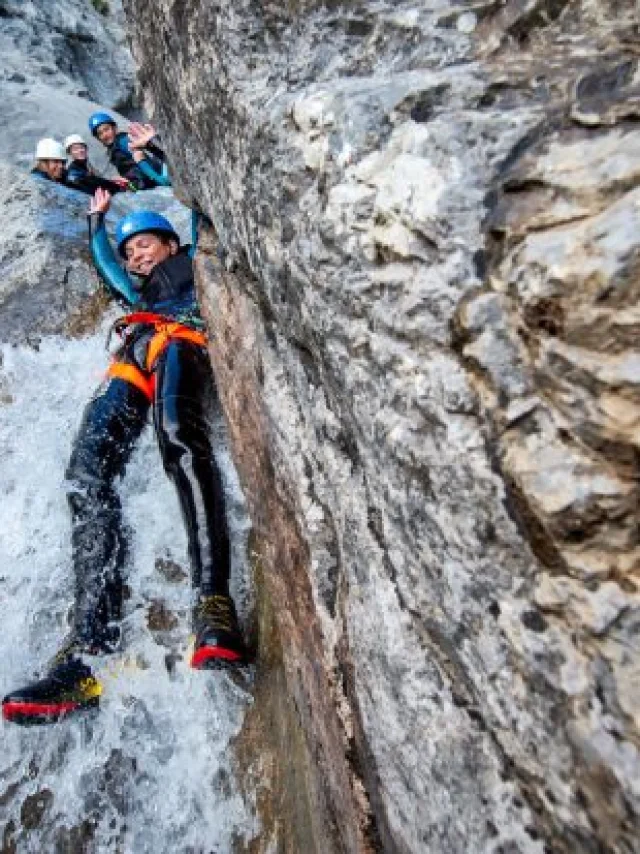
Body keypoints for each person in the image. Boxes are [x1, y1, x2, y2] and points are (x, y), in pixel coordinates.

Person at [2, 189, 247, 726]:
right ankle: (86, 656)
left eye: (144, 244)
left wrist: (165, 153)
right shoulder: (133, 294)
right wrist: (96, 220)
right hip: (133, 354)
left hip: (181, 336)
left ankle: (214, 605)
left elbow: (205, 203)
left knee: (179, 434)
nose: (136, 254)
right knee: (86, 475)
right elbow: (105, 260)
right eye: (130, 247)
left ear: (169, 242)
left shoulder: (192, 262)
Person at [88, 112, 170, 190]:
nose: (104, 135)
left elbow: (141, 161)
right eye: (100, 133)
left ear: (114, 128)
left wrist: (157, 179)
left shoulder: (123, 141)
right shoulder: (114, 148)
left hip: (150, 180)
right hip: (144, 182)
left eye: (106, 129)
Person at [64, 134, 129, 196]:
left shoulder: (87, 165)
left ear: (86, 149)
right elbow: (91, 185)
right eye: (75, 149)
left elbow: (98, 179)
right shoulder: (73, 172)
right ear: (70, 153)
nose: (80, 151)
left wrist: (113, 182)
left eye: (82, 147)